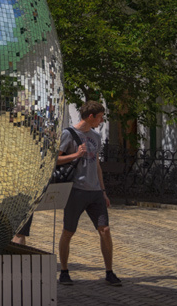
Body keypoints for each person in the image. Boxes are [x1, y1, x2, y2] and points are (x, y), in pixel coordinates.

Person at [57, 101, 121, 287]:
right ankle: (64, 271)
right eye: (100, 117)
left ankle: (109, 272)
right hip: (75, 191)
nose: (101, 121)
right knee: (68, 231)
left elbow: (97, 165)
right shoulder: (68, 134)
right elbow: (55, 160)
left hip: (95, 192)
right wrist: (75, 155)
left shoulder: (96, 136)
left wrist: (103, 191)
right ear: (91, 116)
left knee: (105, 230)